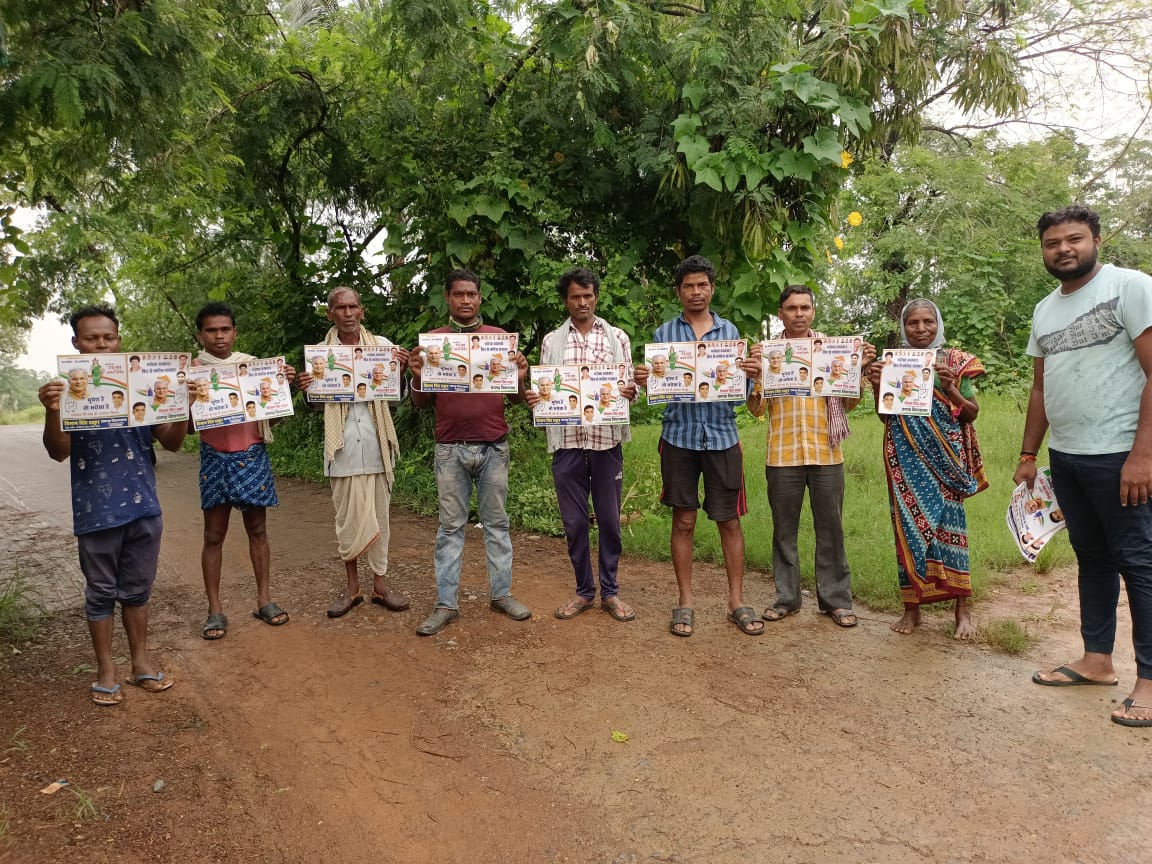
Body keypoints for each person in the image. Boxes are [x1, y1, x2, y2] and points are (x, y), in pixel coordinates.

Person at [1018, 205, 1152, 727]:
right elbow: (1040, 387)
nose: (1063, 249)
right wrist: (1029, 454)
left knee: (1139, 562)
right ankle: (1097, 661)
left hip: (1121, 455)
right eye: (1052, 243)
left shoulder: (1131, 287)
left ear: (1096, 239)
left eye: (1074, 239)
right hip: (1068, 456)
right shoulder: (1044, 309)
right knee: (1092, 558)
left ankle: (1149, 680)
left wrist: (1143, 455)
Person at [37, 304, 186, 705]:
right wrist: (52, 412)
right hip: (96, 512)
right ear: (76, 343)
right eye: (91, 338)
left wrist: (182, 405)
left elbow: (172, 442)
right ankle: (106, 669)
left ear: (119, 341)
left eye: (109, 337)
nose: (101, 344)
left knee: (138, 590)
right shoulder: (68, 393)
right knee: (100, 592)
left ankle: (140, 662)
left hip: (144, 508)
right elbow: (58, 451)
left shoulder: (143, 385)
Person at [634, 255, 763, 637]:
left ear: (712, 289)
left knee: (729, 521)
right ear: (679, 291)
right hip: (679, 436)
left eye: (702, 285)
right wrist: (647, 379)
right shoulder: (664, 335)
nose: (696, 292)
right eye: (688, 286)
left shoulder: (730, 332)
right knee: (684, 520)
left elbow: (739, 393)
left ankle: (736, 601)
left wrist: (751, 376)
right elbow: (658, 389)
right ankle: (685, 601)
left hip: (722, 436)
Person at [408, 269, 532, 635]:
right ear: (447, 297)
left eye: (471, 294)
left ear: (480, 298)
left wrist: (520, 376)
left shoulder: (499, 340)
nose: (465, 300)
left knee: (497, 524)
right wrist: (416, 375)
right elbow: (420, 402)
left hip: (494, 445)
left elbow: (516, 399)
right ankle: (446, 604)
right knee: (450, 528)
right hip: (450, 448)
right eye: (459, 294)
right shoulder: (433, 343)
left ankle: (502, 595)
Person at [747, 285, 874, 629]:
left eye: (804, 307)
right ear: (781, 314)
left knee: (831, 529)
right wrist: (756, 378)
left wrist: (857, 369)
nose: (799, 313)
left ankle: (836, 601)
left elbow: (849, 404)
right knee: (784, 531)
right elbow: (756, 409)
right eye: (791, 308)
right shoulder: (768, 354)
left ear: (813, 312)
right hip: (782, 454)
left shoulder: (834, 351)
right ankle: (786, 599)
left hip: (826, 452)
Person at [865, 298, 987, 639]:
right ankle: (912, 608)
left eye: (928, 322)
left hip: (946, 458)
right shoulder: (894, 363)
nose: (921, 329)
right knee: (909, 529)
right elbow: (886, 416)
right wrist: (876, 384)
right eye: (913, 323)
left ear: (938, 324)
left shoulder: (954, 362)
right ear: (904, 327)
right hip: (905, 457)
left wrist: (950, 388)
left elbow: (971, 413)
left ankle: (962, 609)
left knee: (952, 529)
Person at [528, 268, 637, 623]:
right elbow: (546, 389)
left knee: (609, 521)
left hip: (606, 442)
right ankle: (584, 591)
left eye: (588, 295)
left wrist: (630, 392)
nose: (582, 302)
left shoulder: (617, 338)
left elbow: (630, 387)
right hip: (568, 444)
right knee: (574, 523)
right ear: (566, 301)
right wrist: (537, 398)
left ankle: (611, 592)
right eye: (575, 296)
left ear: (596, 297)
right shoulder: (552, 341)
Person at [296, 288, 410, 619]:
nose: (347, 313)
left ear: (362, 311)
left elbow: (396, 398)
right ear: (330, 314)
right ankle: (352, 587)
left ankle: (380, 584)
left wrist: (400, 371)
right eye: (340, 308)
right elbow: (316, 404)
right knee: (346, 520)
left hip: (377, 446)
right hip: (341, 447)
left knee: (380, 517)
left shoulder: (383, 347)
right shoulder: (320, 356)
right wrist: (307, 389)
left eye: (353, 307)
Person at [191, 302, 295, 639]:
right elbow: (187, 427)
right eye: (211, 330)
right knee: (213, 535)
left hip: (252, 454)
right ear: (200, 335)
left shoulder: (253, 368)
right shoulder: (192, 373)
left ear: (235, 332)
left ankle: (265, 600)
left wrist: (283, 388)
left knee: (258, 530)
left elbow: (271, 418)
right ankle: (215, 610)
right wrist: (187, 398)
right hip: (214, 456)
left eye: (225, 329)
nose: (219, 336)